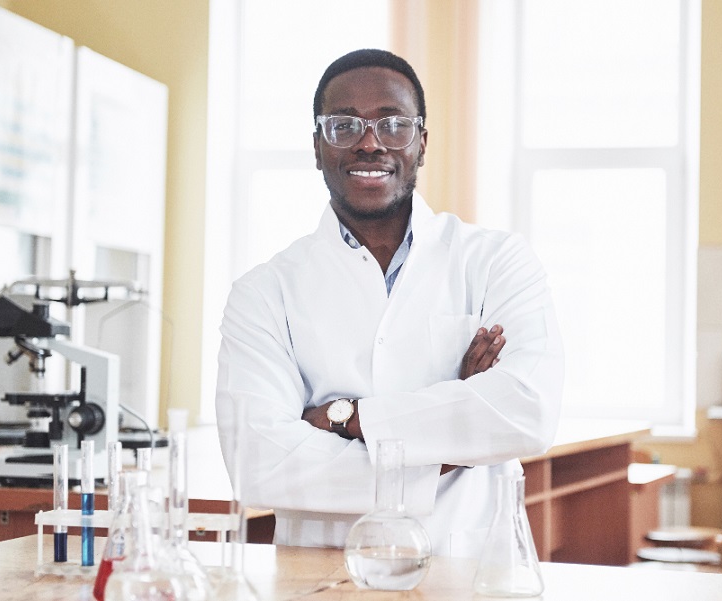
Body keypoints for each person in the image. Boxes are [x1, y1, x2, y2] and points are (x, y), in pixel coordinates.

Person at [215, 48, 563, 558]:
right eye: (344, 126)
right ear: (317, 147)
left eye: (393, 124)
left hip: (469, 567)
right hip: (324, 574)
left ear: (422, 144)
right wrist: (458, 440)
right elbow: (261, 466)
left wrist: (346, 418)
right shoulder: (263, 292)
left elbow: (527, 412)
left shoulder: (496, 261)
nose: (370, 143)